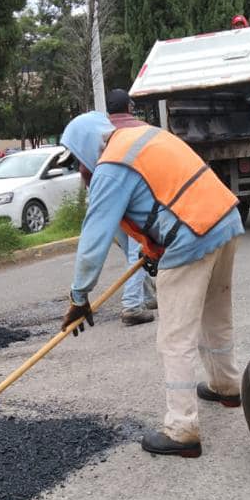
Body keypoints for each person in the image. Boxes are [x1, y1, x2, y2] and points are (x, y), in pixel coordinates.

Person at [59, 111, 244, 458]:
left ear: (85, 148)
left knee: (175, 337)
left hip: (191, 237)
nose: (79, 169)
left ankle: (182, 429)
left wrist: (79, 296)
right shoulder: (141, 140)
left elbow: (94, 239)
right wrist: (151, 250)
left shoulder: (111, 166)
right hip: (224, 221)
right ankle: (227, 386)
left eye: (76, 159)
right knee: (215, 316)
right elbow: (160, 200)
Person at [105, 88, 157, 326]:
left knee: (136, 253)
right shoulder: (137, 129)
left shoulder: (103, 133)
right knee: (137, 253)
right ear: (129, 108)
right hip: (132, 202)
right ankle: (132, 305)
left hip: (106, 204)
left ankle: (147, 296)